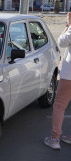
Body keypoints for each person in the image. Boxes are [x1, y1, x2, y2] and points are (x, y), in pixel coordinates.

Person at [44, 12, 71, 149]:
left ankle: (55, 139)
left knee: (60, 105)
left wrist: (68, 25)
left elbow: (62, 42)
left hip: (69, 74)